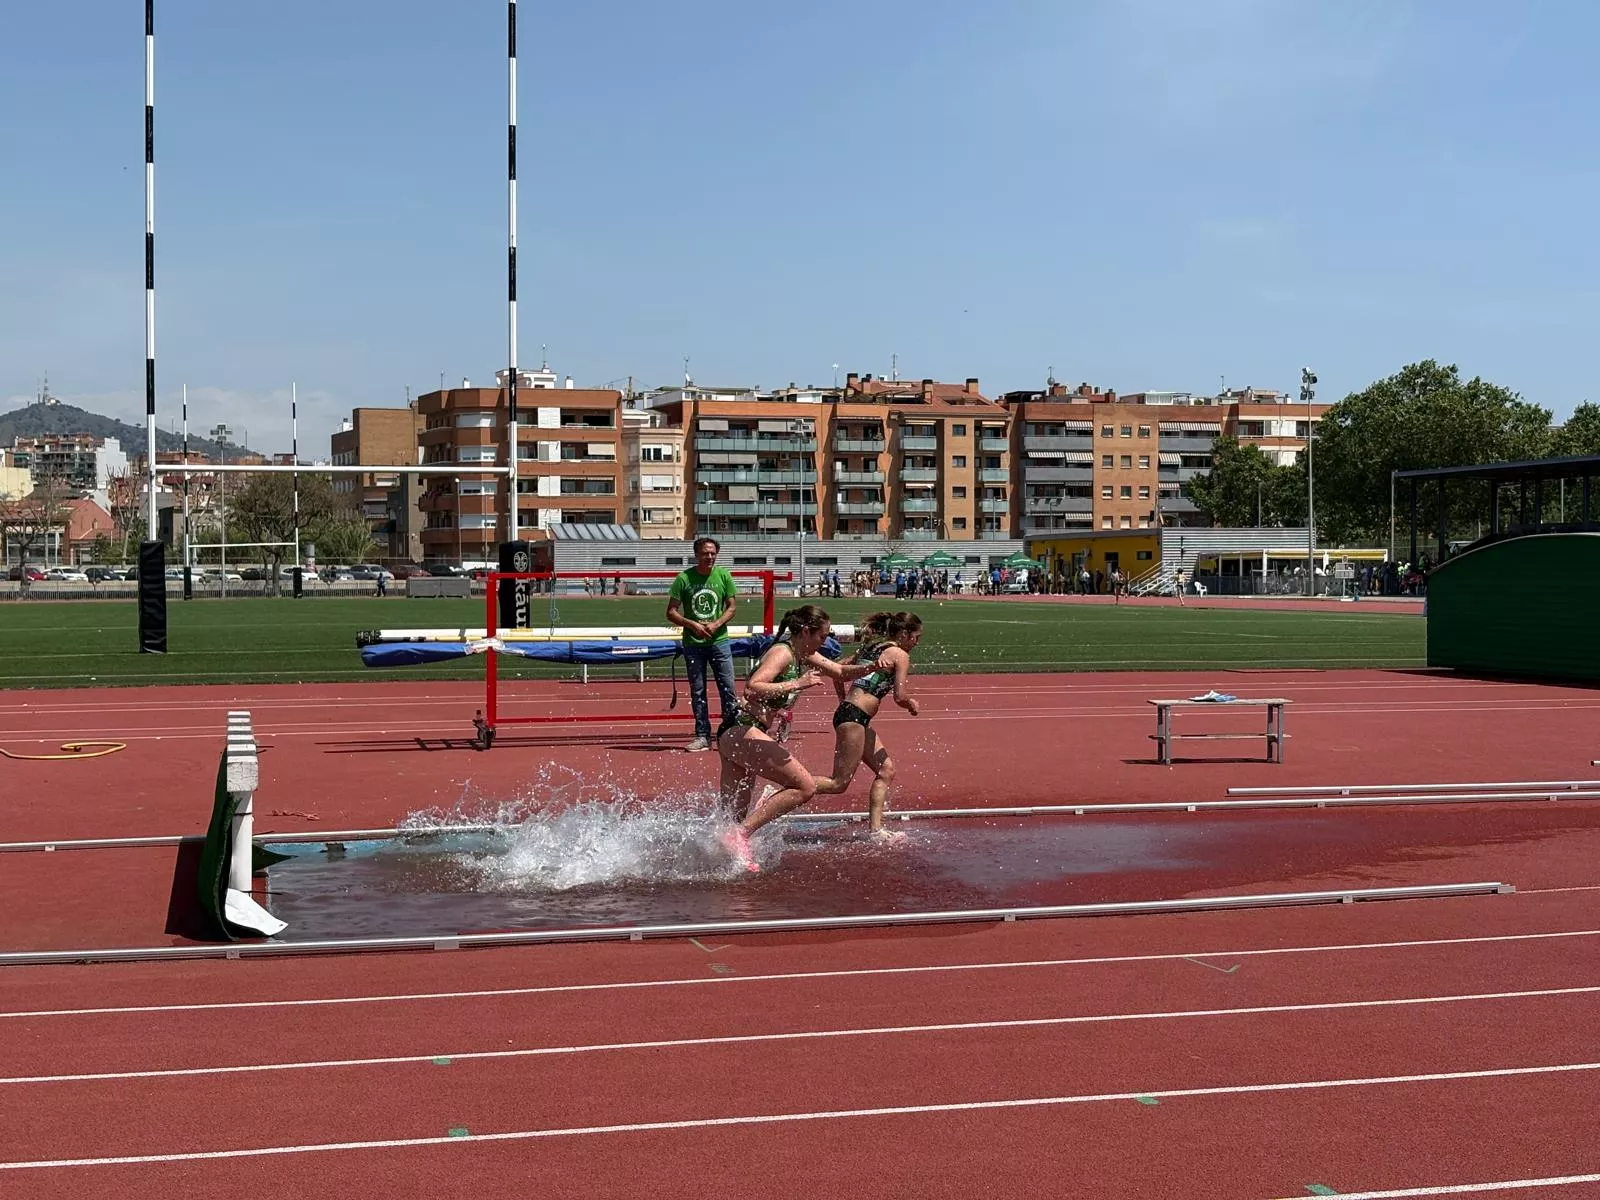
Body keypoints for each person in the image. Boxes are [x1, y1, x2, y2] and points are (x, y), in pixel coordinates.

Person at [716, 604, 871, 871]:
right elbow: (753, 686)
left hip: (739, 732)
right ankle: (739, 836)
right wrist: (797, 683)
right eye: (822, 636)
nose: (826, 641)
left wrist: (874, 666)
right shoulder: (783, 653)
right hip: (742, 728)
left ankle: (721, 860)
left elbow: (839, 672)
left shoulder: (803, 654)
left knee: (734, 815)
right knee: (804, 786)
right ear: (806, 632)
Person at [813, 611, 922, 838]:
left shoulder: (872, 648)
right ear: (904, 634)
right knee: (838, 783)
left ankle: (876, 830)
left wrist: (843, 700)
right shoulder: (900, 654)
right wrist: (911, 704)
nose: (917, 643)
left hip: (854, 716)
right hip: (854, 718)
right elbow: (900, 696)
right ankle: (783, 788)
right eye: (916, 637)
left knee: (886, 770)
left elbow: (838, 671)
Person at [666, 537, 739, 752]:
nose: (709, 557)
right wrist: (692, 625)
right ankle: (702, 735)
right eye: (705, 553)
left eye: (713, 553)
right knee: (698, 691)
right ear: (696, 555)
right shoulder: (684, 579)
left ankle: (729, 734)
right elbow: (671, 612)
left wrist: (716, 624)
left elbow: (732, 607)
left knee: (728, 689)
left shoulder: (724, 575)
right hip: (693, 644)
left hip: (719, 642)